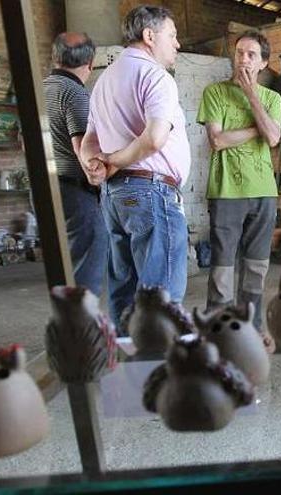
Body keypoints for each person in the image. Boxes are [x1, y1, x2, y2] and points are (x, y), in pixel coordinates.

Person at [80, 5, 189, 330]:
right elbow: (154, 138)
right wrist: (111, 161)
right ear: (150, 36)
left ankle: (129, 366)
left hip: (115, 197)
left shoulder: (104, 80)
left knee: (124, 290)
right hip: (151, 192)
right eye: (172, 35)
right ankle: (158, 370)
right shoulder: (156, 76)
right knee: (162, 297)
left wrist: (93, 165)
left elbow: (89, 140)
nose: (177, 44)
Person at [196, 29, 281, 334]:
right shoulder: (214, 93)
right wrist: (258, 128)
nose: (243, 59)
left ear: (263, 63)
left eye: (251, 55)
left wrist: (250, 95)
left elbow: (273, 138)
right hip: (226, 191)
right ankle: (217, 328)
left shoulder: (272, 97)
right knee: (222, 266)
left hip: (263, 192)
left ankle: (251, 328)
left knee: (257, 265)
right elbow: (217, 140)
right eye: (239, 53)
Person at [43, 32, 108, 296]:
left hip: (48, 185)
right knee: (88, 258)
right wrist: (100, 176)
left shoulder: (41, 89)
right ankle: (78, 326)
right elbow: (83, 148)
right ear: (90, 63)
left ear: (55, 57)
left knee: (66, 258)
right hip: (74, 189)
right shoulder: (75, 94)